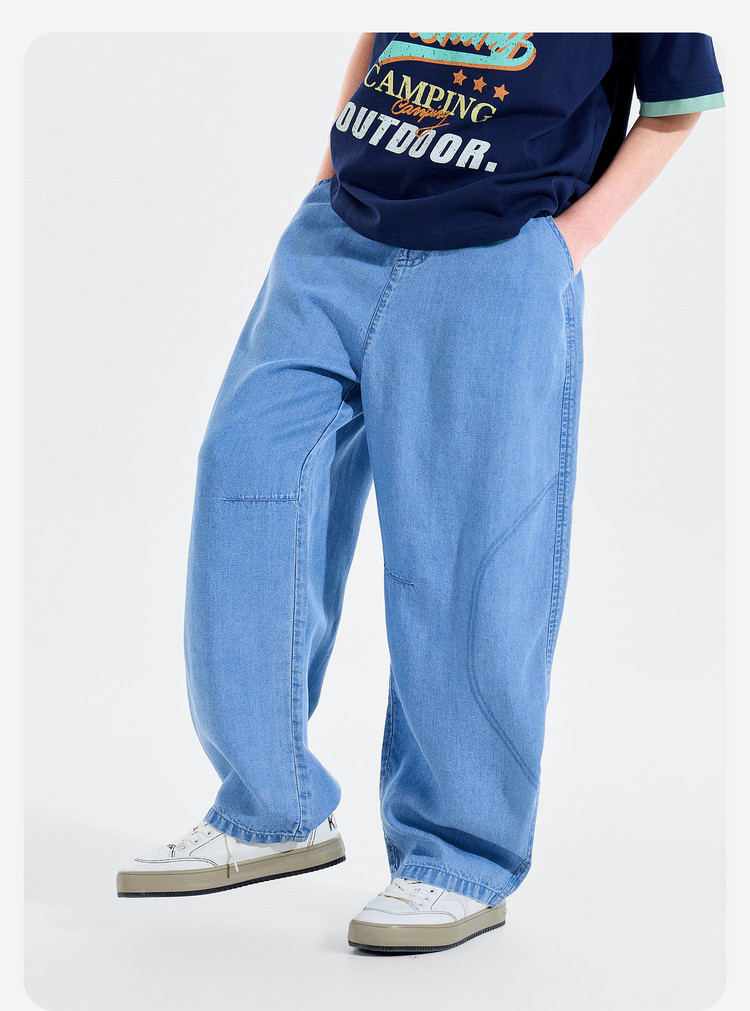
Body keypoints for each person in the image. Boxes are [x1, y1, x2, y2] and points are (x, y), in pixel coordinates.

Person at [116, 32, 725, 954]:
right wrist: (327, 175)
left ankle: (458, 858)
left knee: (465, 552)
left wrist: (562, 248)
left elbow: (678, 104)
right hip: (335, 235)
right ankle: (270, 806)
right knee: (245, 475)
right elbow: (379, 32)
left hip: (496, 258)